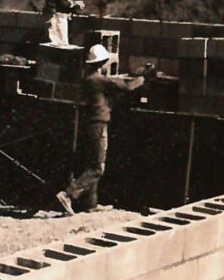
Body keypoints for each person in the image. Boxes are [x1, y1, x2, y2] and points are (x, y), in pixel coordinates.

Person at [55, 45, 153, 216]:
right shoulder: (98, 80)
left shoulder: (90, 80)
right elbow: (128, 87)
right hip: (98, 125)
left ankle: (90, 204)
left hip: (90, 124)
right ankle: (67, 194)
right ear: (102, 63)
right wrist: (143, 77)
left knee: (91, 163)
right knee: (98, 168)